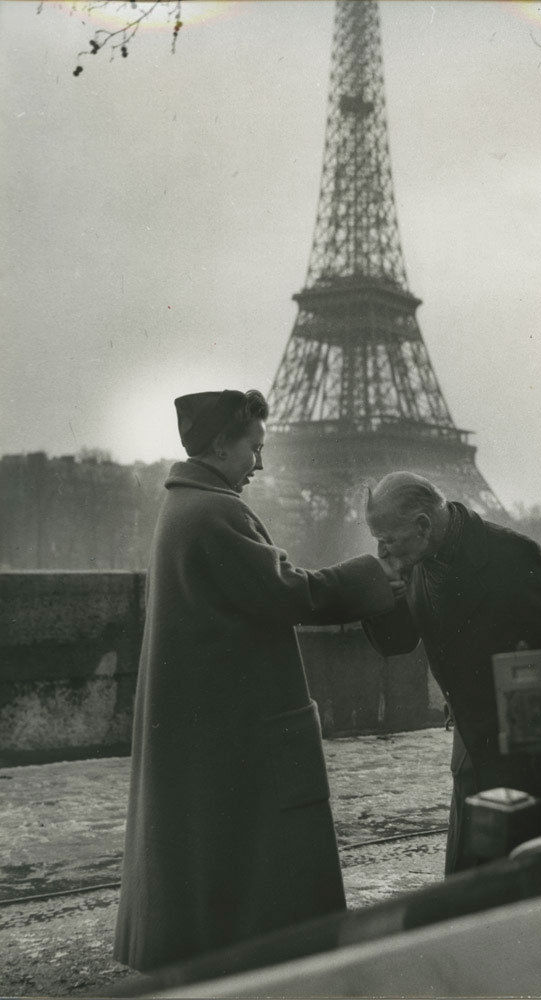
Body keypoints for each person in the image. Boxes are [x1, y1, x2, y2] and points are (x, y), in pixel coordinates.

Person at [114, 389, 401, 972]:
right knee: (259, 864)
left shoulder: (186, 505)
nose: (261, 463)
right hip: (234, 726)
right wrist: (374, 572)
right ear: (222, 444)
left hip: (207, 717)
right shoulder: (216, 511)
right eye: (254, 448)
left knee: (210, 863)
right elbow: (289, 593)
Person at [363, 472, 541, 874]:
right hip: (471, 753)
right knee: (471, 881)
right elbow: (398, 642)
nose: (383, 550)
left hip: (527, 752)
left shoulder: (512, 554)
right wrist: (380, 593)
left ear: (423, 525)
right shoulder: (416, 560)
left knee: (519, 881)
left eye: (389, 540)